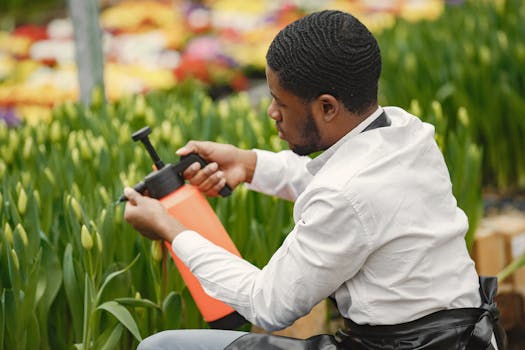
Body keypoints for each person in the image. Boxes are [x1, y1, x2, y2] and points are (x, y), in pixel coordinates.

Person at [124, 10, 505, 350]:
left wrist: (172, 231)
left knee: (163, 346)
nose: (271, 112)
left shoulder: (344, 195)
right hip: (467, 337)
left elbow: (268, 305)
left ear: (326, 107)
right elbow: (347, 188)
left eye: (280, 102)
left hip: (407, 344)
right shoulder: (405, 130)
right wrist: (250, 164)